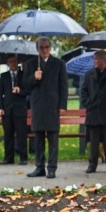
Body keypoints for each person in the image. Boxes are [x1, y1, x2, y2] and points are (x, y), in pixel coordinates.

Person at [25, 38, 68, 179]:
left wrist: (62, 105)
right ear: (37, 49)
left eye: (47, 47)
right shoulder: (31, 64)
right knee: (38, 139)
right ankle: (39, 167)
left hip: (52, 106)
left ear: (50, 48)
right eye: (41, 47)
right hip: (38, 106)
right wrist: (34, 77)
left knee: (53, 139)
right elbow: (25, 86)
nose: (44, 50)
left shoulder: (59, 64)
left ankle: (51, 168)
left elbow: (63, 86)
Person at [0, 55, 29, 165]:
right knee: (8, 135)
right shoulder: (4, 76)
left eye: (15, 61)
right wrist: (0, 108)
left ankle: (23, 157)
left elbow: (28, 91)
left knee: (21, 134)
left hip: (20, 109)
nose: (13, 63)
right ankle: (8, 158)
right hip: (7, 109)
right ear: (7, 63)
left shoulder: (23, 75)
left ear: (18, 62)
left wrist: (20, 90)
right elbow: (0, 94)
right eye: (10, 62)